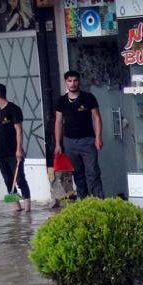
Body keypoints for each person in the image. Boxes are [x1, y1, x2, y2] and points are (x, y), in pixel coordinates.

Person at [54, 70, 104, 199]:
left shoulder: (88, 98)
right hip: (69, 142)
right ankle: (84, 201)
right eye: (69, 81)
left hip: (88, 141)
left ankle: (98, 201)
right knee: (77, 174)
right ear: (65, 82)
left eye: (75, 80)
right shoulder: (61, 101)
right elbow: (58, 122)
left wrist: (98, 137)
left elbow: (97, 118)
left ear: (79, 81)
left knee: (92, 172)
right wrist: (58, 144)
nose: (73, 84)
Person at [0, 83, 30, 212]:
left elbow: (19, 130)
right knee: (7, 180)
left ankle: (27, 209)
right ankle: (16, 208)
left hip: (13, 152)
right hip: (1, 152)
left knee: (20, 179)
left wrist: (18, 149)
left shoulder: (13, 109)